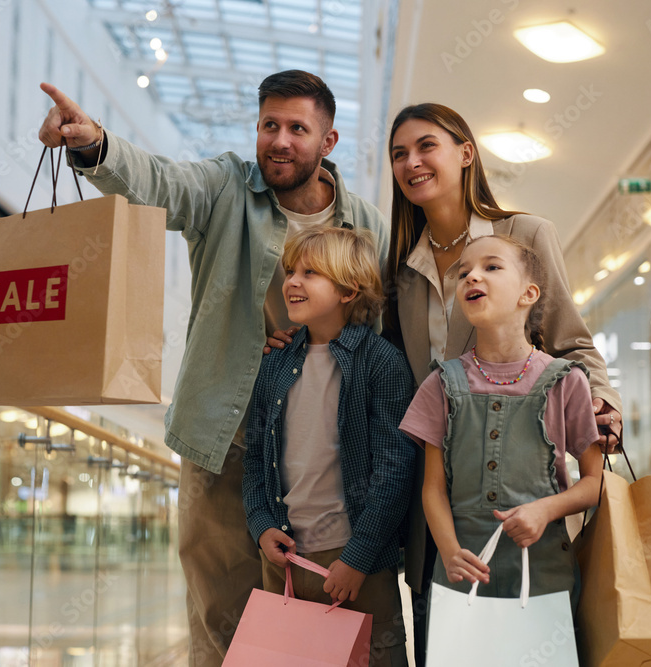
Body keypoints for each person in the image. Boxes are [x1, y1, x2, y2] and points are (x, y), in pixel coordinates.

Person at [37, 70, 389, 666]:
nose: (279, 140)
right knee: (220, 610)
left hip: (320, 446)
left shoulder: (366, 224)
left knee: (317, 616)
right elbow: (160, 183)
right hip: (223, 436)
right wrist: (93, 144)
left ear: (327, 143)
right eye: (269, 125)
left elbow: (377, 330)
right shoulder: (227, 186)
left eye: (297, 129)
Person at [385, 103, 621, 664]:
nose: (412, 162)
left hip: (529, 510)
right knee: (449, 642)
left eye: (426, 146)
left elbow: (573, 342)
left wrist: (601, 406)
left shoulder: (524, 235)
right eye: (399, 154)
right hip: (440, 494)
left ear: (466, 153)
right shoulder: (401, 266)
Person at [399, 234, 603, 606]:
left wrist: (545, 509)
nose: (472, 277)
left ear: (528, 294)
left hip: (544, 576)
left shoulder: (566, 380)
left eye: (491, 267)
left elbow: (595, 482)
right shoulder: (440, 382)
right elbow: (433, 488)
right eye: (463, 274)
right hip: (461, 573)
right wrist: (448, 551)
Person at [243, 227, 415, 666]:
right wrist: (261, 524)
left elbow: (395, 469)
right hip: (285, 561)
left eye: (311, 273)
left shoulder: (383, 363)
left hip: (358, 563)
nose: (292, 282)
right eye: (291, 271)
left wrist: (357, 557)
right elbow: (255, 459)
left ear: (348, 289)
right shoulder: (274, 363)